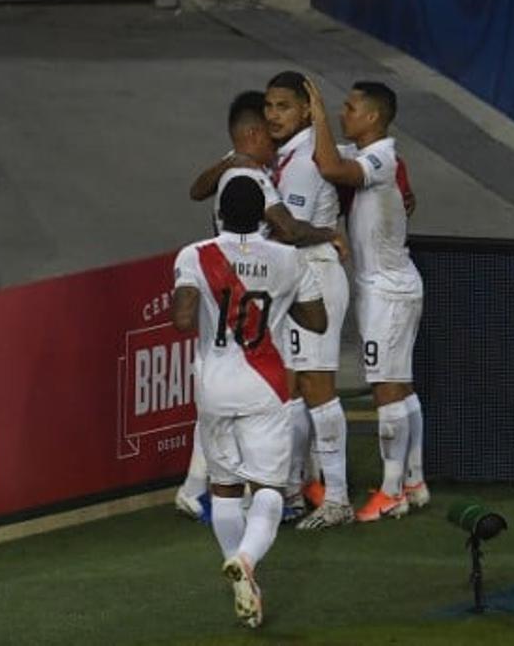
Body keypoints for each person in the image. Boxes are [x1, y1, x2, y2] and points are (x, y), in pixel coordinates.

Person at [176, 91, 344, 521]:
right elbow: (285, 227)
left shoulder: (230, 167)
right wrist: (329, 234)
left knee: (217, 404)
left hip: (220, 296)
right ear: (251, 134)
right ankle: (276, 493)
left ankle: (198, 489)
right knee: (271, 396)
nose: (274, 141)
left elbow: (196, 189)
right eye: (267, 132)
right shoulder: (253, 177)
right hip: (247, 287)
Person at [171, 177, 327, 631]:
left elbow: (183, 319)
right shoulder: (288, 259)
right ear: (263, 217)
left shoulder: (194, 255)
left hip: (215, 387)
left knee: (223, 490)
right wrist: (277, 302)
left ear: (219, 212)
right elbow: (317, 321)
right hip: (266, 386)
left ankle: (242, 580)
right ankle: (246, 558)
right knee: (268, 492)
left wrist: (204, 302)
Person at [305, 78, 429, 522]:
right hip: (395, 287)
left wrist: (315, 116)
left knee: (387, 391)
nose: (343, 112)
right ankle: (413, 481)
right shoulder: (379, 156)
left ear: (373, 116)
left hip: (387, 293)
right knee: (403, 386)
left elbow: (333, 170)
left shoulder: (378, 156)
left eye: (350, 107)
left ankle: (392, 492)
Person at [262, 69, 351, 528]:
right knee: (293, 388)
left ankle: (336, 498)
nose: (274, 115)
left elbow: (289, 229)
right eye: (269, 106)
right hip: (298, 278)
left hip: (313, 275)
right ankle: (294, 491)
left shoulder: (300, 164)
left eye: (284, 106)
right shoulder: (294, 154)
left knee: (317, 388)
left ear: (305, 109)